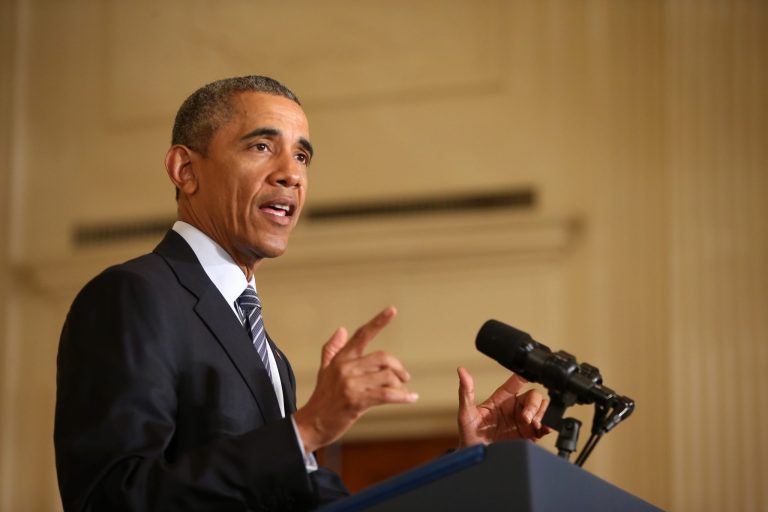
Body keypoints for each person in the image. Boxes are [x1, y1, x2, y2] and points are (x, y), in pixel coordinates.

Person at [54, 76, 549, 512]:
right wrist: (306, 429)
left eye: (303, 155)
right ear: (185, 170)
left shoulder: (273, 359)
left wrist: (467, 463)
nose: (291, 173)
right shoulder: (132, 295)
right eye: (261, 147)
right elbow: (110, 498)